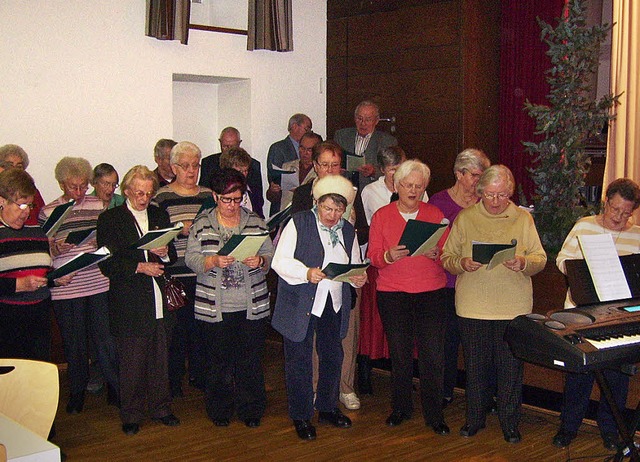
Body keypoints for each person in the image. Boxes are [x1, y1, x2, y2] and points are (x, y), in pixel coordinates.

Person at [441, 165, 546, 444]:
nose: (496, 201)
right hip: (473, 305)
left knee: (510, 369)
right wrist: (462, 263)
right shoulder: (465, 218)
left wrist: (523, 262)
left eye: (501, 195)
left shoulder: (523, 219)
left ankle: (510, 422)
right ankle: (474, 419)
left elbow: (540, 258)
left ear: (509, 192)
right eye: (489, 195)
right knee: (475, 367)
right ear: (480, 192)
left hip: (512, 307)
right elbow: (446, 257)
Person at [271, 175, 367, 440]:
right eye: (327, 208)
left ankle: (326, 407)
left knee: (333, 356)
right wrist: (306, 272)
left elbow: (354, 263)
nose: (333, 215)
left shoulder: (347, 230)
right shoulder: (298, 222)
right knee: (299, 360)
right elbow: (279, 261)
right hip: (300, 302)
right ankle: (301, 415)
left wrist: (358, 277)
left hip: (332, 303)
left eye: (339, 209)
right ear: (316, 202)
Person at [552, 178, 640, 451]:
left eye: (626, 213)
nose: (619, 217)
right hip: (582, 314)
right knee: (579, 375)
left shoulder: (637, 234)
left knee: (617, 379)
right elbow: (562, 260)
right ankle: (568, 428)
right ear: (606, 203)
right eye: (615, 210)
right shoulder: (584, 226)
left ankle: (611, 431)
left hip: (617, 317)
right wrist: (585, 271)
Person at [185, 168, 274, 428]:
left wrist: (260, 261)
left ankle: (251, 409)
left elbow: (269, 254)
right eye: (227, 199)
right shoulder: (202, 223)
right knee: (218, 362)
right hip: (214, 307)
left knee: (250, 361)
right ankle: (220, 410)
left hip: (251, 305)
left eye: (237, 199)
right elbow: (191, 258)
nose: (232, 205)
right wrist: (211, 260)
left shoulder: (255, 221)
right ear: (214, 196)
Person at [367, 159, 450, 435]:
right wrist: (388, 256)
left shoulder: (435, 213)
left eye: (419, 185)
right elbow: (374, 257)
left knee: (432, 355)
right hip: (394, 293)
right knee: (400, 354)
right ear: (396, 185)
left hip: (431, 293)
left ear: (425, 187)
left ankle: (434, 413)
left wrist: (437, 255)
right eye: (407, 185)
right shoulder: (382, 215)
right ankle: (400, 407)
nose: (413, 190)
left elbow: (446, 255)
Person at [97, 165, 180, 436]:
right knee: (132, 361)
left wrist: (165, 252)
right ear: (127, 191)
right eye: (138, 193)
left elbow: (173, 257)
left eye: (148, 193)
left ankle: (162, 408)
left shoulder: (158, 213)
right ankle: (130, 414)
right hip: (130, 300)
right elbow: (108, 263)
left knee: (160, 357)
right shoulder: (110, 219)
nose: (143, 198)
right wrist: (139, 266)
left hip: (158, 298)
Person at [39, 157, 119, 414]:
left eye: (84, 186)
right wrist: (55, 247)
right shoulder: (49, 211)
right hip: (67, 285)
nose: (79, 192)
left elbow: (109, 237)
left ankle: (115, 388)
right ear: (62, 184)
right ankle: (77, 391)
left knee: (105, 339)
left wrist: (100, 245)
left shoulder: (98, 205)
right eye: (73, 187)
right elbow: (42, 250)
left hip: (97, 281)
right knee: (74, 343)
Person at [288, 140, 363, 411]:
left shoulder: (350, 194)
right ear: (315, 165)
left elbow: (359, 235)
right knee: (305, 348)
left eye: (335, 165)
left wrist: (356, 273)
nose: (330, 169)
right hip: (308, 286)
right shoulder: (303, 200)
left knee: (338, 344)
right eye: (325, 164)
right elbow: (294, 246)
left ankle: (338, 394)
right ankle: (310, 399)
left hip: (340, 286)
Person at [428, 148, 490, 407]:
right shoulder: (438, 202)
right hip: (447, 283)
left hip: (479, 283)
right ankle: (445, 390)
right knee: (447, 341)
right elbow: (430, 240)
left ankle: (482, 396)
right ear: (458, 174)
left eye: (483, 175)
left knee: (479, 344)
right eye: (476, 175)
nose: (480, 181)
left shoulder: (487, 202)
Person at [152, 141, 212, 397]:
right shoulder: (161, 196)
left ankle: (200, 377)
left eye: (195, 165)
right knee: (175, 333)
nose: (191, 171)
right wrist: (178, 228)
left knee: (202, 331)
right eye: (185, 166)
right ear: (174, 167)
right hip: (176, 275)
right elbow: (154, 236)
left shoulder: (209, 195)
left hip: (205, 272)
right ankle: (174, 382)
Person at [357, 145, 409, 393]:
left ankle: (403, 377)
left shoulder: (414, 188)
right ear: (382, 170)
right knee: (373, 323)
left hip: (408, 263)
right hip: (379, 263)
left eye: (401, 170)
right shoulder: (370, 191)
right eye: (392, 171)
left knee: (403, 323)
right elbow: (367, 228)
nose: (397, 176)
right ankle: (365, 375)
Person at [0, 168, 53, 361]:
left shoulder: (36, 231)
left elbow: (42, 273)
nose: (26, 213)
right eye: (21, 206)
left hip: (38, 317)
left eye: (30, 206)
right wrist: (18, 285)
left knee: (36, 378)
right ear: (2, 201)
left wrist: (56, 279)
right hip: (6, 323)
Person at [334, 100, 397, 189]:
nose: (363, 123)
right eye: (359, 118)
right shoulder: (341, 136)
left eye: (368, 119)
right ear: (354, 118)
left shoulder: (387, 141)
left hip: (374, 189)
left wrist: (374, 171)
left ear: (376, 121)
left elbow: (393, 170)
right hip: (344, 187)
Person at [199, 127, 264, 205]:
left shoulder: (253, 165)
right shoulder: (209, 163)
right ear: (220, 142)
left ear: (239, 143)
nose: (228, 150)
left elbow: (258, 201)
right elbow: (204, 194)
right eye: (225, 146)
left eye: (232, 147)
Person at [266, 113, 313, 215]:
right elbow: (274, 179)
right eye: (307, 129)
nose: (309, 132)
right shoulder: (278, 148)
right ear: (295, 126)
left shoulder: (317, 161)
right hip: (283, 208)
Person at [0, 144, 45, 225]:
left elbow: (42, 215)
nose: (13, 170)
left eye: (19, 166)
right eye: (9, 165)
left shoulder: (31, 190)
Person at [277, 131, 322, 210]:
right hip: (285, 216)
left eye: (309, 150)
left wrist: (299, 192)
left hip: (307, 215)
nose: (304, 152)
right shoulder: (287, 167)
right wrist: (273, 190)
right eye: (302, 148)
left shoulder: (321, 171)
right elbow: (274, 198)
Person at [219, 147, 265, 218]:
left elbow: (260, 216)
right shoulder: (219, 194)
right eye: (240, 171)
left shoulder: (253, 191)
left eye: (246, 171)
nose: (244, 174)